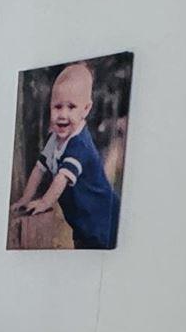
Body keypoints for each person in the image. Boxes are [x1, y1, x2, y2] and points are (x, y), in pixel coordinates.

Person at [11, 59, 120, 249]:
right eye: (57, 106)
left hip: (103, 219)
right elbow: (39, 168)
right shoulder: (54, 139)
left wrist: (45, 202)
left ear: (86, 109)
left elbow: (61, 179)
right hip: (83, 222)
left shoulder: (79, 145)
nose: (62, 114)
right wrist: (25, 198)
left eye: (71, 107)